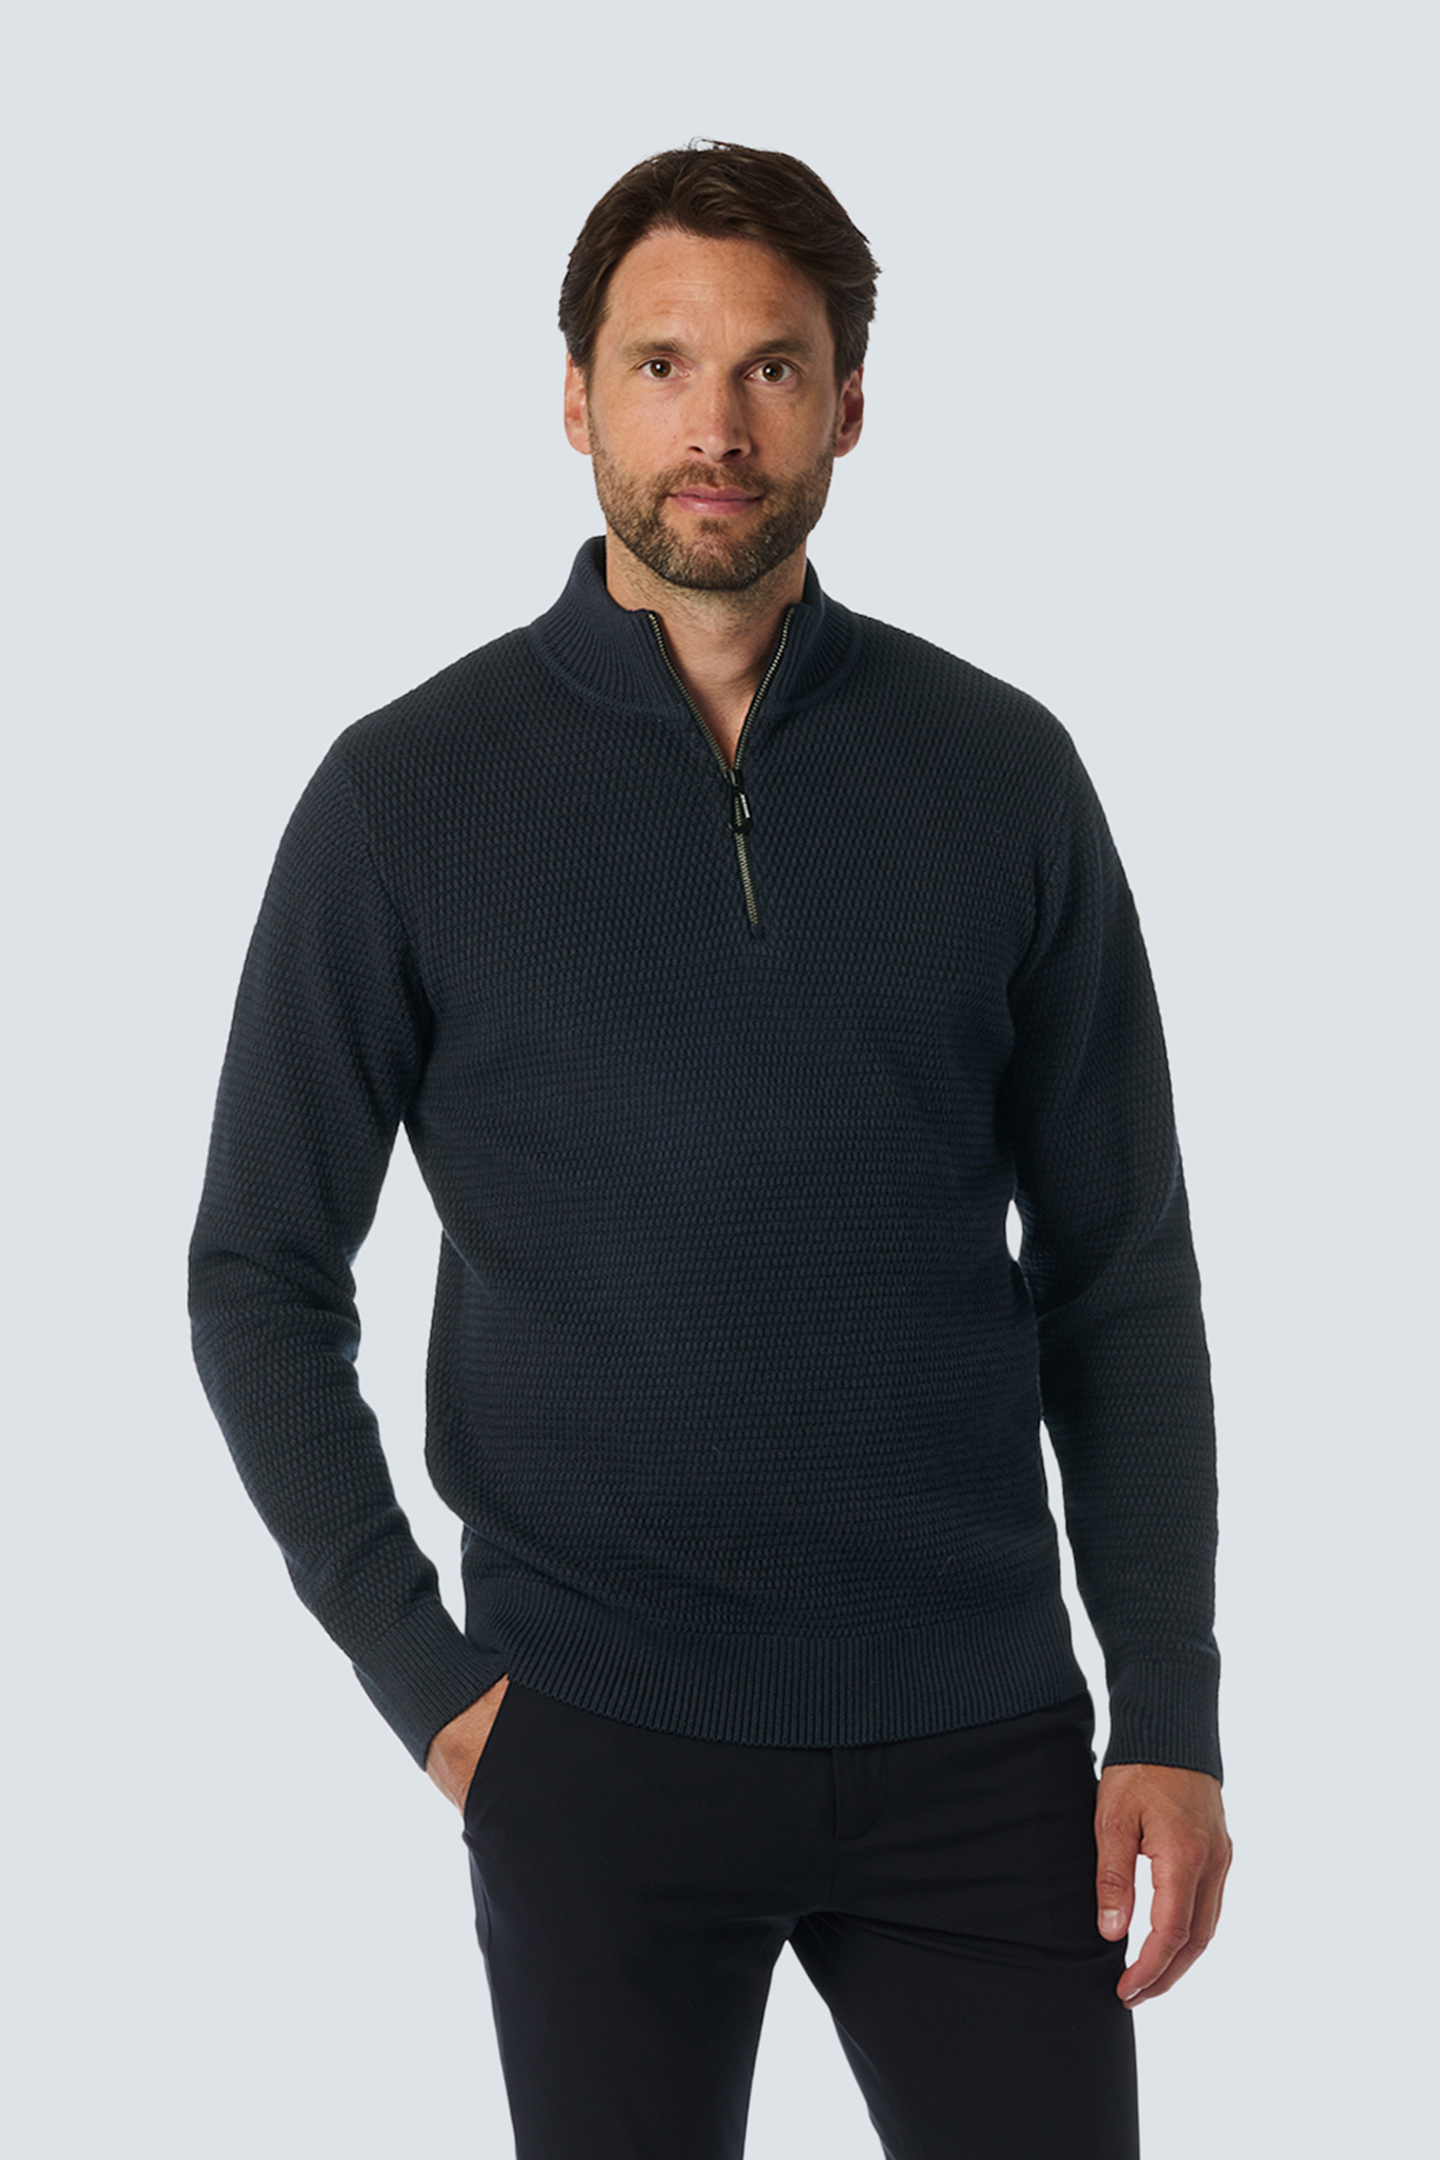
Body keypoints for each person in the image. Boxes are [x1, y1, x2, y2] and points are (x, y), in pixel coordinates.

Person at [190, 141, 1231, 2159]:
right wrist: (433, 1690)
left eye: (773, 368)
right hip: (593, 1743)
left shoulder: (1001, 773)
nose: (718, 427)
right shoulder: (407, 795)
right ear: (576, 399)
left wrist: (1169, 1713)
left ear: (850, 406)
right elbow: (257, 1275)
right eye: (662, 365)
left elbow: (1120, 1270)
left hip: (981, 1739)